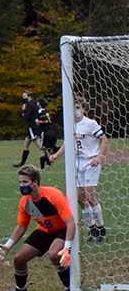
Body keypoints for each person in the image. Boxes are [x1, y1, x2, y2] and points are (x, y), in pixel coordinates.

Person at [0, 165, 75, 291]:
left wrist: (67, 247)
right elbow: (21, 226)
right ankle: (21, 290)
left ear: (35, 182)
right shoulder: (25, 202)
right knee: (19, 258)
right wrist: (7, 246)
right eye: (20, 182)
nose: (21, 185)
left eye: (25, 182)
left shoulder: (53, 195)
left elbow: (71, 223)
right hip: (45, 231)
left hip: (62, 229)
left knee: (54, 254)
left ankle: (70, 287)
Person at [50, 102, 110, 241]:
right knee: (78, 198)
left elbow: (104, 139)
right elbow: (67, 143)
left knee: (89, 195)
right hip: (76, 163)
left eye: (78, 107)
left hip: (90, 162)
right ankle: (92, 228)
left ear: (83, 109)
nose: (75, 110)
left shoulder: (90, 123)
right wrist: (56, 155)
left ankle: (101, 227)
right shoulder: (69, 124)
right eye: (73, 108)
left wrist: (99, 156)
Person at [13, 90, 42, 168]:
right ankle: (22, 163)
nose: (24, 98)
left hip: (32, 127)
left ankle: (46, 160)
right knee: (26, 145)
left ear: (29, 96)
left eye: (25, 96)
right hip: (32, 126)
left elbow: (27, 116)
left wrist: (24, 111)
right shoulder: (34, 103)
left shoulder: (29, 104)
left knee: (39, 145)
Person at [35, 98, 58, 170]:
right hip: (51, 131)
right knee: (50, 150)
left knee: (42, 149)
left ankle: (42, 167)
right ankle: (62, 150)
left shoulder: (40, 112)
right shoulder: (46, 111)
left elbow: (45, 120)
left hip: (45, 133)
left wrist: (38, 121)